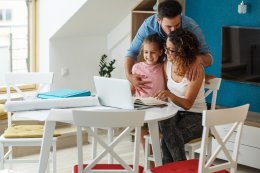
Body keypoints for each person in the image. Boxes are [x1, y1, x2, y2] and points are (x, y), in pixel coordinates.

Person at [125, 0, 213, 91]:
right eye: (169, 26)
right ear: (158, 20)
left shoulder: (191, 27)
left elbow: (209, 58)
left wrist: (198, 60)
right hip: (160, 74)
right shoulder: (148, 26)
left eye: (177, 25)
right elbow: (132, 52)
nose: (174, 29)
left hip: (181, 76)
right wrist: (129, 76)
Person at [153, 28, 207, 163]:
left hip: (197, 116)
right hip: (174, 112)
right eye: (166, 48)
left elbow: (188, 104)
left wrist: (170, 95)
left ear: (183, 52)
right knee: (165, 125)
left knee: (168, 139)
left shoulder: (196, 70)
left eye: (170, 50)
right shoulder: (167, 65)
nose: (166, 52)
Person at [131, 34, 166, 168]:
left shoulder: (163, 67)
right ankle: (151, 164)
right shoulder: (136, 68)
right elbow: (132, 89)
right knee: (141, 127)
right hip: (142, 107)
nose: (148, 56)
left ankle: (159, 160)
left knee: (156, 131)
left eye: (152, 52)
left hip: (159, 108)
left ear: (160, 52)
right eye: (146, 52)